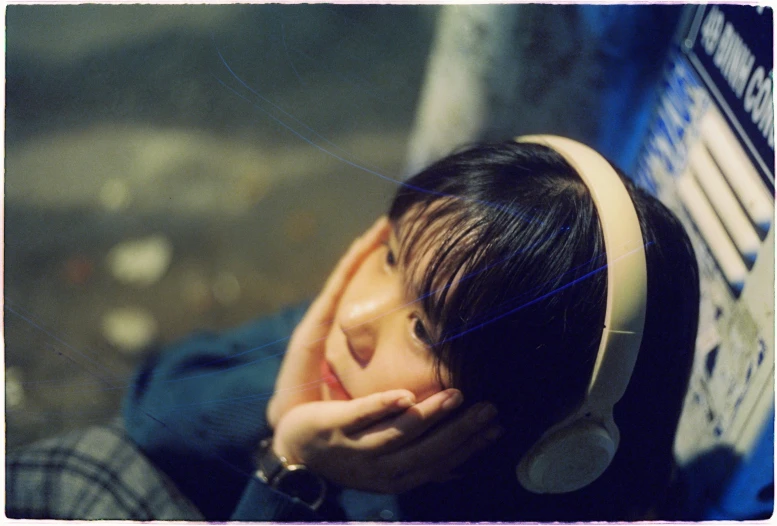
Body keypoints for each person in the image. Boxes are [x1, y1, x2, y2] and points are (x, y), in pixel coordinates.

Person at [6, 138, 700, 521]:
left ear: (553, 440)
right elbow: (153, 414)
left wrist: (288, 474)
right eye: (391, 256)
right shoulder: (357, 342)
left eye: (424, 330)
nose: (358, 317)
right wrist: (285, 406)